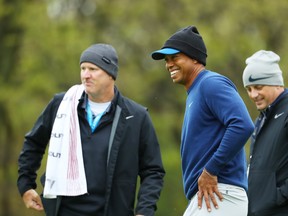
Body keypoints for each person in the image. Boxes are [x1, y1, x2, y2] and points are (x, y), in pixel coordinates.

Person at [17, 43, 165, 216]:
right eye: (83, 68)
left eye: (93, 69)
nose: (85, 75)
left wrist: (144, 211)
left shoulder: (136, 116)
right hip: (63, 211)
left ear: (111, 74)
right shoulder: (62, 105)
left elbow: (153, 171)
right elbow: (33, 143)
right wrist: (25, 185)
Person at [151, 25, 254, 216]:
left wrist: (211, 170)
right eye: (166, 60)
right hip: (210, 196)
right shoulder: (195, 91)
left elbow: (243, 124)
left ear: (194, 57)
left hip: (221, 193)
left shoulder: (210, 83)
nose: (169, 64)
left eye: (175, 57)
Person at [242, 50, 288, 216]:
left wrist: (277, 197)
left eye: (258, 87)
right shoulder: (261, 119)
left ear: (276, 83)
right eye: (249, 89)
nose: (253, 95)